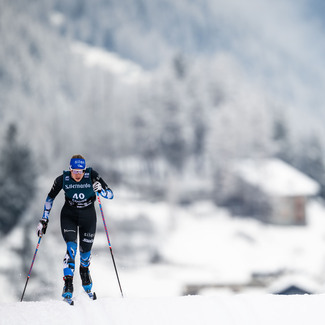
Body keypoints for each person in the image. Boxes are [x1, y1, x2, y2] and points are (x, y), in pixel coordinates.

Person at [36, 154, 114, 299]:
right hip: (69, 215)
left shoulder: (92, 175)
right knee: (71, 249)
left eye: (81, 171)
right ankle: (68, 284)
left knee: (85, 255)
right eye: (75, 171)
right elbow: (50, 198)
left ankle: (84, 271)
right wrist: (44, 219)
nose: (78, 175)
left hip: (88, 217)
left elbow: (111, 194)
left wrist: (101, 191)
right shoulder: (63, 179)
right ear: (70, 169)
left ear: (84, 170)